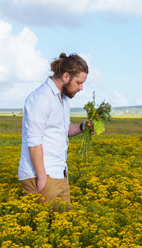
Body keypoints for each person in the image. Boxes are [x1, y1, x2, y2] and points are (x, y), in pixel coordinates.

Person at [18, 53, 92, 210]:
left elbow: (63, 131)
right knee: (46, 228)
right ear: (66, 76)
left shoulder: (63, 99)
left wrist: (81, 127)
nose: (81, 88)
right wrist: (42, 177)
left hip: (59, 174)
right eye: (79, 82)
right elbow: (34, 142)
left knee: (63, 229)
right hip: (41, 175)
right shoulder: (41, 98)